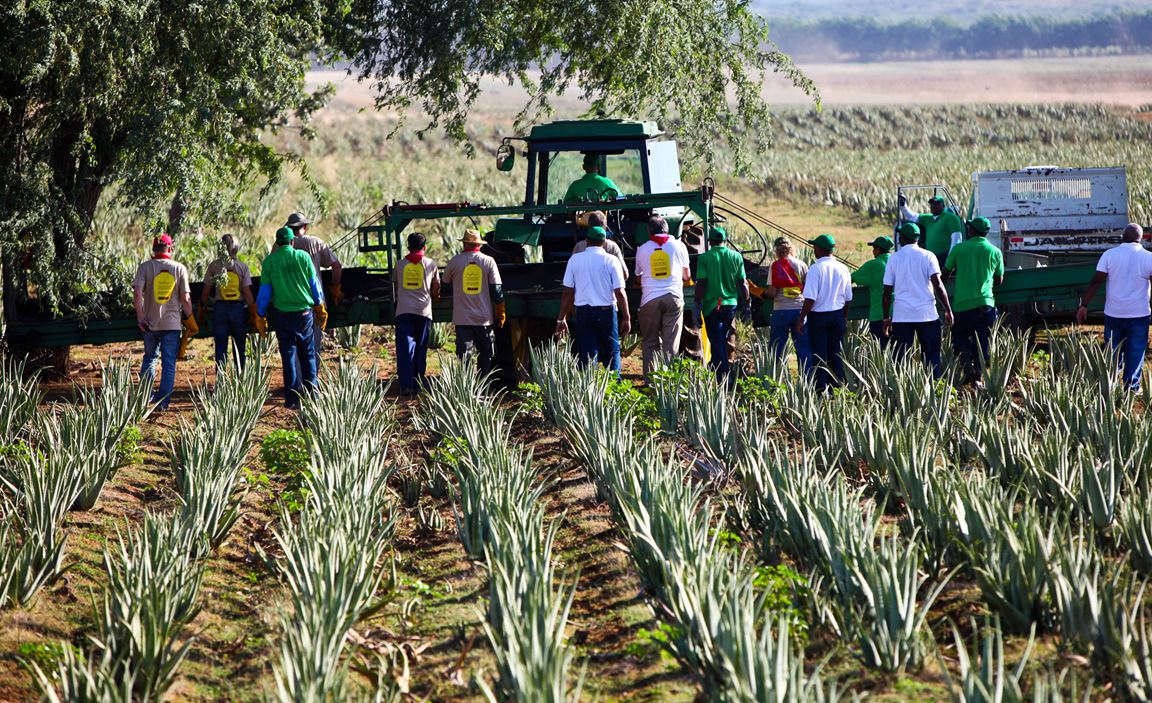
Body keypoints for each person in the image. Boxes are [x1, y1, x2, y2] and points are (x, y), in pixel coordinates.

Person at [257, 226, 327, 409]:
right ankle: (312, 396)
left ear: (277, 242)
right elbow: (314, 284)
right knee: (308, 354)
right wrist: (319, 306)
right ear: (292, 241)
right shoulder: (303, 257)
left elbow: (265, 292)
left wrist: (260, 315)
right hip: (304, 314)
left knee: (288, 356)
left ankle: (292, 400)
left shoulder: (270, 262)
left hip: (283, 315)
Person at [1078, 223, 1152, 391]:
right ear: (1141, 238)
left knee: (1112, 351)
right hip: (1138, 314)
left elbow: (1096, 281)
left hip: (1114, 314)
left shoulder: (1109, 255)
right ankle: (1131, 389)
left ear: (1123, 237)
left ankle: (1109, 386)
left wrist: (1084, 305)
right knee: (1135, 351)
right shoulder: (1148, 257)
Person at [883, 223, 954, 379]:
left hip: (902, 316)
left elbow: (887, 291)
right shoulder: (928, 256)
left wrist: (886, 317)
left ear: (903, 238)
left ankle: (900, 387)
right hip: (927, 315)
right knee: (932, 356)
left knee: (900, 359)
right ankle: (934, 386)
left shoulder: (894, 258)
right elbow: (938, 285)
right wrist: (948, 309)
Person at [556, 226, 631, 372]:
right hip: (607, 312)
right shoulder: (612, 260)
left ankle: (590, 383)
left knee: (587, 352)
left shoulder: (574, 260)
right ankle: (615, 382)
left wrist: (561, 318)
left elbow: (567, 292)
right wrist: (627, 317)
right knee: (612, 351)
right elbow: (619, 292)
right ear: (604, 242)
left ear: (586, 241)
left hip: (583, 313)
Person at [133, 234, 195, 410]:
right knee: (169, 364)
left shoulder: (145, 267)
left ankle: (145, 398)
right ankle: (162, 403)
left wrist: (140, 318)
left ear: (154, 249)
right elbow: (185, 299)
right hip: (172, 325)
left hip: (150, 324)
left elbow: (137, 294)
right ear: (170, 249)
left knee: (149, 359)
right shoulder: (179, 268)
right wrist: (191, 319)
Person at [944, 217, 1004, 384]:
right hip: (986, 305)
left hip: (962, 305)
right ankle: (978, 376)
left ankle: (966, 365)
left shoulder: (959, 249)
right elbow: (999, 280)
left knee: (959, 338)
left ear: (971, 231)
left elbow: (945, 274)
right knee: (982, 342)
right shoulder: (995, 251)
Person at [794, 234, 853, 391]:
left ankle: (821, 391)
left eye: (815, 247)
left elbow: (810, 298)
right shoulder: (843, 268)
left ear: (819, 249)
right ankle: (837, 390)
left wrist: (801, 318)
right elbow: (848, 297)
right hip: (837, 315)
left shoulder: (816, 269)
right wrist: (844, 317)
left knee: (819, 357)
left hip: (818, 318)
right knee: (836, 355)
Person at [634, 215, 691, 378]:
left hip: (649, 300)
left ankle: (651, 382)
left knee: (650, 343)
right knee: (670, 344)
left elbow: (637, 278)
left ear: (649, 231)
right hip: (673, 297)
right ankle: (669, 382)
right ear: (667, 228)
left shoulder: (642, 249)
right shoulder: (679, 246)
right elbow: (686, 276)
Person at [443, 229, 504, 374]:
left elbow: (444, 283)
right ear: (479, 245)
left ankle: (467, 383)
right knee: (486, 353)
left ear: (464, 244)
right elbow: (496, 290)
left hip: (462, 319)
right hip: (484, 319)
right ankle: (482, 382)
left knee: (465, 356)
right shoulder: (488, 261)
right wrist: (500, 311)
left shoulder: (455, 261)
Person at [286, 212, 342, 365]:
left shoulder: (281, 245)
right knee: (312, 347)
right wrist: (335, 288)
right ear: (305, 227)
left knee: (293, 349)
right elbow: (337, 266)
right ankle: (311, 379)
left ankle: (296, 379)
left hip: (288, 303)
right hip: (314, 303)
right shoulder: (315, 242)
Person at [695, 226, 749, 384]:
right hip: (730, 306)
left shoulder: (704, 258)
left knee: (717, 342)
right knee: (721, 340)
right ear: (725, 240)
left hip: (713, 306)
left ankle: (724, 377)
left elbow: (701, 283)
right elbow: (743, 283)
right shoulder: (736, 256)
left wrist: (696, 305)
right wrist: (747, 304)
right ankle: (717, 368)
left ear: (710, 242)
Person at [199, 234, 258, 370]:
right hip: (238, 309)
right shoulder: (242, 267)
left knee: (220, 348)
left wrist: (202, 308)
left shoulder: (214, 266)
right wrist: (254, 314)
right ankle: (241, 377)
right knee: (240, 347)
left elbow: (206, 291)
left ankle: (221, 379)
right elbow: (247, 294)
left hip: (220, 310)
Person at [393, 232, 441, 395]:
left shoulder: (400, 265)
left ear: (408, 246)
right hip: (423, 312)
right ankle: (418, 382)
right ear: (424, 247)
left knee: (406, 348)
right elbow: (436, 287)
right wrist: (434, 295)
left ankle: (406, 385)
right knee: (421, 347)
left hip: (404, 310)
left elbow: (394, 283)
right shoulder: (430, 264)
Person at [765, 237, 812, 371]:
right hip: (800, 311)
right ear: (791, 248)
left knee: (777, 348)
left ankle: (775, 377)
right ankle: (807, 379)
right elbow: (807, 290)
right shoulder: (802, 264)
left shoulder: (775, 265)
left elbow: (772, 292)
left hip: (781, 310)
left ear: (776, 250)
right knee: (804, 348)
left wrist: (762, 292)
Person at [851, 236, 894, 348]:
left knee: (880, 351)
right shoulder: (897, 261)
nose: (873, 251)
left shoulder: (874, 264)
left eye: (874, 248)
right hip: (899, 315)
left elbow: (851, 278)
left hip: (879, 315)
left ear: (878, 249)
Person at [899, 194, 964, 265]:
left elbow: (956, 239)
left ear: (943, 206)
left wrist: (951, 258)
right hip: (931, 258)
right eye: (932, 204)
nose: (933, 206)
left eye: (937, 204)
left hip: (944, 257)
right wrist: (903, 206)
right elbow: (912, 217)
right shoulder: (929, 218)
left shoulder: (951, 218)